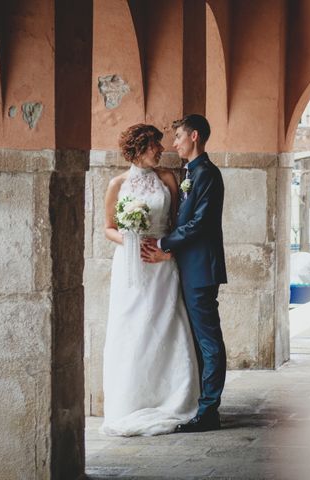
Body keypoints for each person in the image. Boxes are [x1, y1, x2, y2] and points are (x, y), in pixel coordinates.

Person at [100, 123, 200, 436]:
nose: (161, 149)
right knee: (132, 327)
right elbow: (108, 228)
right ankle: (130, 402)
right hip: (131, 266)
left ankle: (172, 396)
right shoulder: (117, 184)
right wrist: (130, 240)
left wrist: (166, 251)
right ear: (139, 149)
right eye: (155, 145)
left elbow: (175, 224)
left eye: (160, 144)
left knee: (167, 324)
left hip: (162, 264)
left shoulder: (168, 179)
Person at [142, 114, 227, 432]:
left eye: (178, 136)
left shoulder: (207, 173)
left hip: (201, 267)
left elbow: (200, 223)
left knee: (208, 340)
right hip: (188, 265)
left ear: (194, 136)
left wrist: (164, 242)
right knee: (196, 338)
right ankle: (200, 404)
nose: (173, 143)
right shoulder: (191, 172)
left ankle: (209, 411)